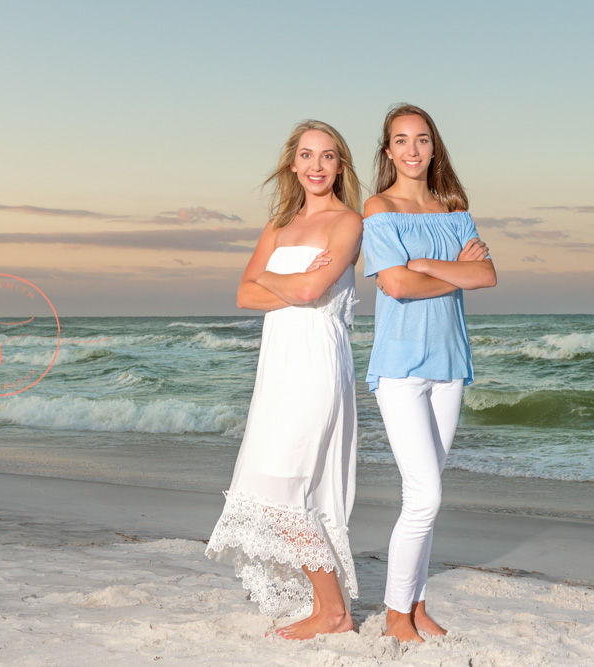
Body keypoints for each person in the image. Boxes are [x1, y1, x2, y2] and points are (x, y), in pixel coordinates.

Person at [206, 120, 363, 640]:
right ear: (293, 164)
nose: (317, 165)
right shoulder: (279, 225)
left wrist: (276, 281)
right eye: (307, 155)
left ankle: (332, 611)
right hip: (278, 366)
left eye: (328, 155)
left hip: (317, 363)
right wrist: (285, 282)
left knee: (284, 482)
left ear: (340, 165)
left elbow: (312, 289)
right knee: (277, 481)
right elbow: (242, 294)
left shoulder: (347, 223)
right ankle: (328, 608)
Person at [361, 104, 497, 643]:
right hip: (399, 367)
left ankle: (416, 605)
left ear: (433, 147)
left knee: (428, 492)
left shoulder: (455, 211)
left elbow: (486, 275)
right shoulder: (379, 209)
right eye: (401, 140)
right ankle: (396, 615)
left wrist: (423, 265)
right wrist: (452, 272)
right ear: (388, 151)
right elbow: (394, 286)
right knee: (425, 496)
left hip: (449, 365)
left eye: (422, 140)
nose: (412, 150)